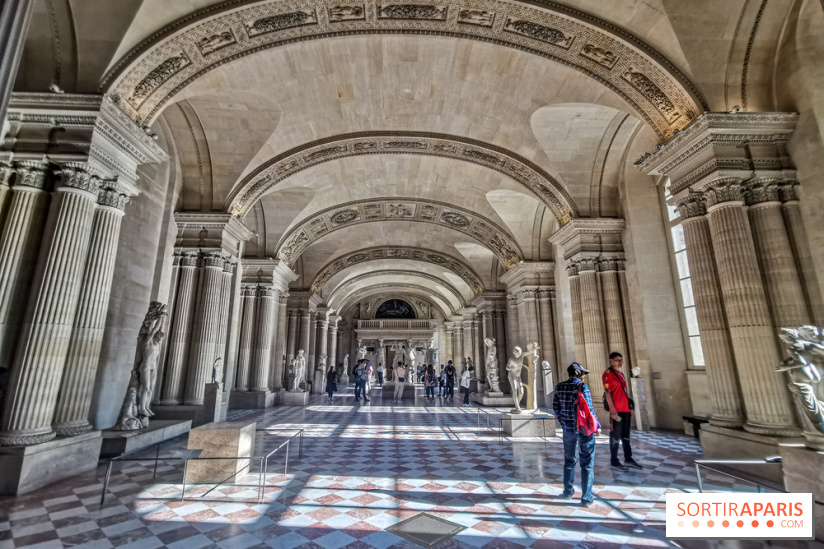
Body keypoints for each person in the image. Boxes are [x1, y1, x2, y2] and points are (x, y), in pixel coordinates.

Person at [553, 362, 600, 507]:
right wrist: (596, 426)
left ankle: (568, 492)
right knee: (587, 464)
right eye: (583, 373)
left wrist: (564, 423)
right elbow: (589, 408)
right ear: (578, 373)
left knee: (569, 461)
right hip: (584, 430)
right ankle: (586, 498)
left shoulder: (559, 387)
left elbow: (556, 408)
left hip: (568, 430)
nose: (584, 376)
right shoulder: (582, 387)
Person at [603, 351, 641, 471]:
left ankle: (628, 458)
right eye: (616, 360)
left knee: (626, 436)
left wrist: (630, 409)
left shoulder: (621, 374)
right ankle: (614, 461)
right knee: (615, 436)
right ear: (611, 361)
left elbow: (625, 393)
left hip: (625, 409)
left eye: (621, 360)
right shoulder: (608, 374)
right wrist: (613, 411)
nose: (619, 362)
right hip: (617, 411)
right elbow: (607, 393)